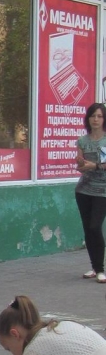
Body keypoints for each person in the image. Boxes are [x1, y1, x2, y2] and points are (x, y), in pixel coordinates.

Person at [75, 102, 106, 282]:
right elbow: (81, 166)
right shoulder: (82, 141)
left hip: (102, 190)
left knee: (95, 226)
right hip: (84, 190)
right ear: (88, 119)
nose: (96, 119)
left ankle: (101, 270)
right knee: (88, 229)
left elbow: (104, 165)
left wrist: (93, 166)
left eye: (99, 116)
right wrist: (80, 164)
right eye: (93, 116)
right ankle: (94, 267)